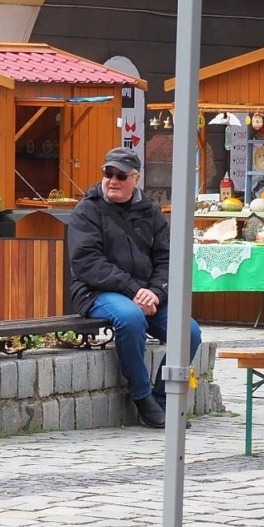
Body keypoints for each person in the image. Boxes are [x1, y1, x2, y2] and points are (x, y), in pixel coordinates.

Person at [67, 146, 201, 430]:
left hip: (144, 293)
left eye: (121, 175)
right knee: (130, 318)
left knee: (189, 332)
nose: (113, 180)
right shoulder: (86, 210)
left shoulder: (150, 211)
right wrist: (133, 290)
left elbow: (167, 259)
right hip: (97, 292)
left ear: (136, 178)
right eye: (108, 173)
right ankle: (142, 398)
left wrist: (156, 291)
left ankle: (163, 400)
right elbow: (87, 263)